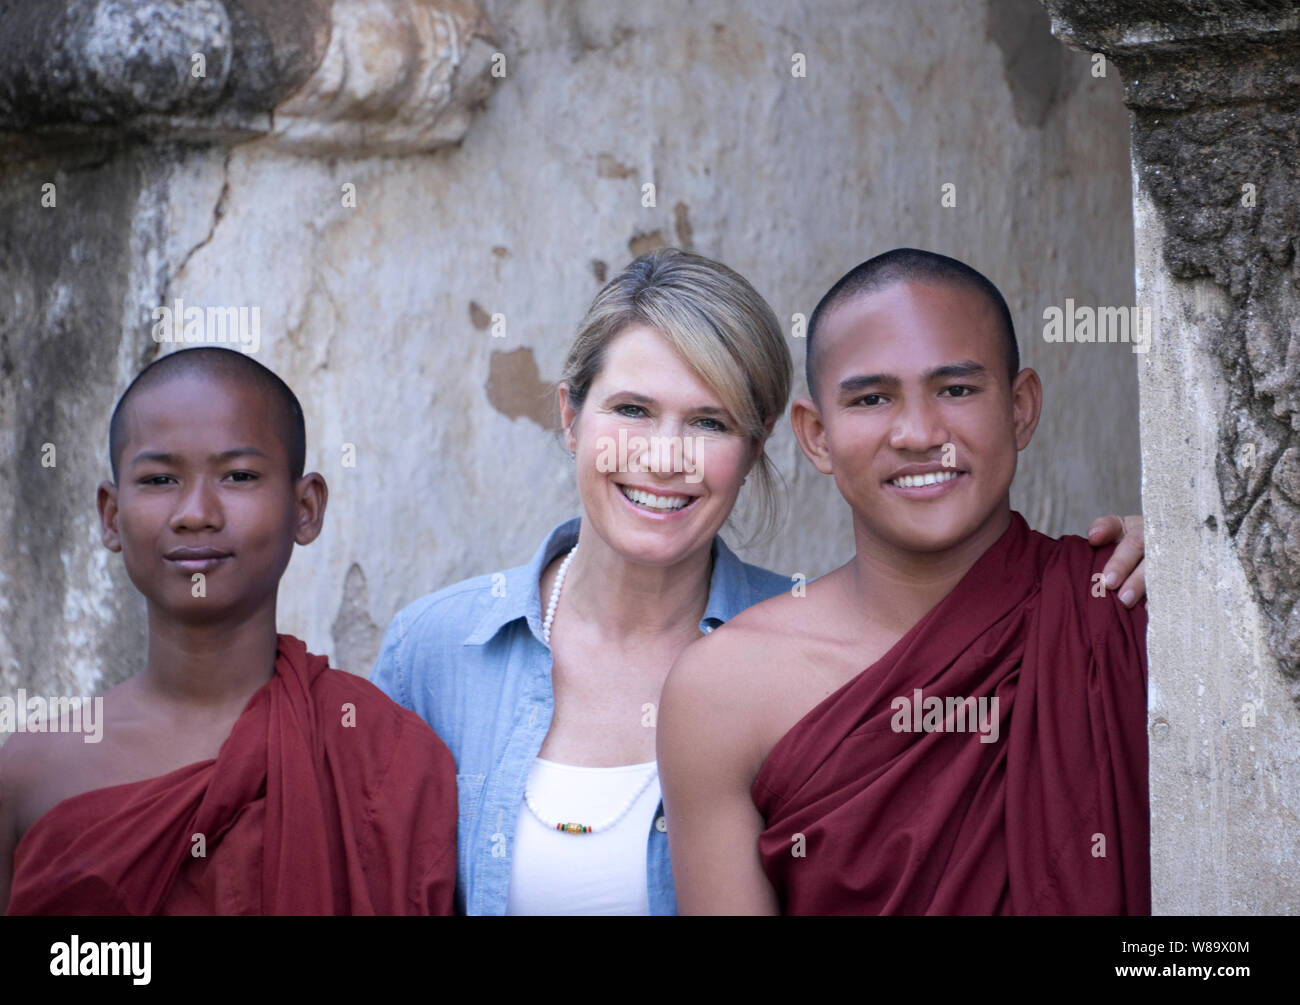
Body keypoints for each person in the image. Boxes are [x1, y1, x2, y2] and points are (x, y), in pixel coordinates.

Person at [372, 248, 1148, 915]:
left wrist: (1197, 566)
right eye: (633, 410)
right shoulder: (441, 650)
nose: (665, 457)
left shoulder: (1116, 616)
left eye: (710, 423)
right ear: (571, 418)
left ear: (759, 445)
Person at [659, 247, 1150, 915]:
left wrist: (1203, 560)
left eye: (956, 389)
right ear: (817, 436)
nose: (920, 433)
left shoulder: (1127, 605)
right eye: (871, 398)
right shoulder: (723, 690)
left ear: (1022, 407)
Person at [0, 347, 457, 915]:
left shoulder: (388, 757)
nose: (195, 512)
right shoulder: (32, 770)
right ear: (111, 517)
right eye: (160, 478)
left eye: (238, 475)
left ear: (306, 508)